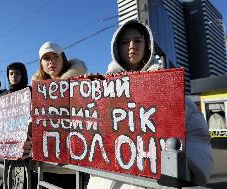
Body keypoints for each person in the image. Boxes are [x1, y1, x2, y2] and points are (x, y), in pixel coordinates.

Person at [87, 20, 213, 188]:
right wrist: (88, 96)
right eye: (125, 42)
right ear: (116, 48)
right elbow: (89, 133)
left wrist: (185, 168)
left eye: (137, 40)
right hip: (106, 181)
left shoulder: (167, 89)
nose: (131, 46)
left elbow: (198, 138)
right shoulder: (103, 90)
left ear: (147, 45)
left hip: (152, 182)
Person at [31, 41, 87, 189]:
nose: (51, 62)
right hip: (46, 165)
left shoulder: (83, 84)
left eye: (55, 56)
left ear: (63, 58)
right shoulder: (36, 93)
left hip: (75, 165)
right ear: (41, 64)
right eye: (46, 58)